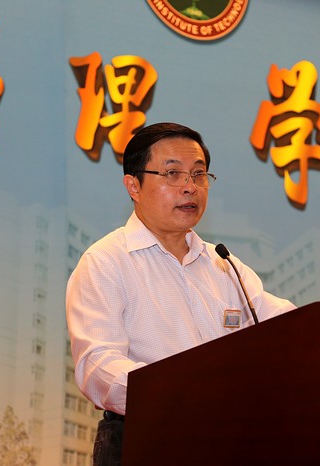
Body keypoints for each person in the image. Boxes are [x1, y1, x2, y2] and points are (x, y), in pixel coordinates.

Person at [65, 122, 296, 465]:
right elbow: (97, 366)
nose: (190, 187)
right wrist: (184, 394)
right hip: (146, 439)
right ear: (134, 186)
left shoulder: (223, 265)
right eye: (172, 174)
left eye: (199, 174)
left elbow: (287, 327)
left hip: (229, 441)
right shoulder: (106, 261)